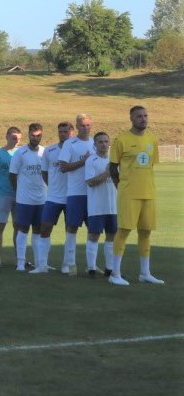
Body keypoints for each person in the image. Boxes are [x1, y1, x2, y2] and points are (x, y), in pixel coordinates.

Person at [108, 105, 163, 286]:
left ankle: (145, 273)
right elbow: (112, 167)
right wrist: (121, 186)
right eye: (139, 116)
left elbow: (150, 165)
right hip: (128, 194)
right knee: (123, 231)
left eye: (146, 115)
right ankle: (115, 273)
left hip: (148, 192)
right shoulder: (121, 139)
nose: (144, 119)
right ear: (131, 118)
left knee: (146, 232)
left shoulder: (152, 140)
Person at [57, 113, 95, 274]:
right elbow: (63, 167)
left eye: (88, 125)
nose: (85, 128)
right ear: (76, 127)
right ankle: (69, 264)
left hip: (93, 193)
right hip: (75, 193)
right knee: (72, 228)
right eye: (82, 125)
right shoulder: (70, 144)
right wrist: (82, 161)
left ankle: (91, 266)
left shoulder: (96, 142)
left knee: (93, 230)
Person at [8, 123, 47, 273]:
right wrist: (19, 192)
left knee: (38, 231)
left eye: (38, 135)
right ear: (29, 134)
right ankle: (20, 263)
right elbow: (12, 175)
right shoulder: (20, 153)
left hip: (41, 199)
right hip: (24, 200)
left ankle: (39, 263)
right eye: (33, 135)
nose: (36, 138)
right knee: (22, 230)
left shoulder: (45, 152)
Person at [37, 121, 73, 272]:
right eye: (61, 132)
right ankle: (42, 265)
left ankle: (67, 265)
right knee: (45, 228)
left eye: (66, 132)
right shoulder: (49, 150)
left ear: (72, 133)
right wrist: (53, 186)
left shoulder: (76, 149)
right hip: (53, 197)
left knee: (70, 230)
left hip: (72, 196)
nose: (63, 134)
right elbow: (44, 172)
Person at [83, 132, 117, 279]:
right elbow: (90, 181)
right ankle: (91, 268)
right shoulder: (91, 160)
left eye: (106, 141)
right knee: (94, 235)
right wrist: (107, 172)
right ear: (95, 144)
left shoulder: (114, 161)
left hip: (113, 206)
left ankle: (109, 268)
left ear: (109, 143)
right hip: (97, 205)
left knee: (111, 235)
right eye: (100, 142)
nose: (103, 144)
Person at [0, 126, 21, 267]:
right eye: (14, 138)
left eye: (19, 138)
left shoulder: (21, 153)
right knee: (0, 226)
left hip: (20, 195)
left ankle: (20, 258)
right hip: (3, 195)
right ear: (7, 137)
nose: (16, 141)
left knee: (18, 227)